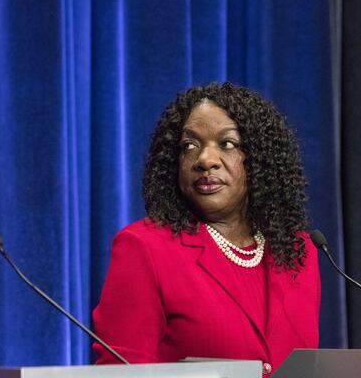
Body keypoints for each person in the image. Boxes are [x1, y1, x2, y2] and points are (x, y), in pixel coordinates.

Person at [92, 82, 320, 376]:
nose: (205, 160)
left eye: (227, 144)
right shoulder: (144, 248)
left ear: (260, 158)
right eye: (189, 146)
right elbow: (119, 372)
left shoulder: (299, 252)